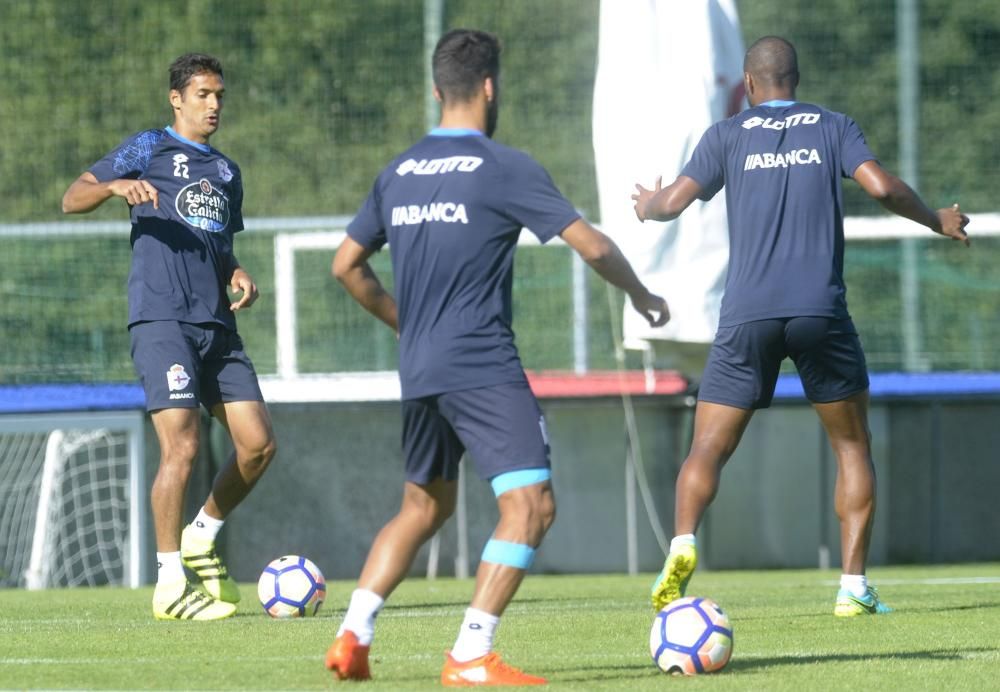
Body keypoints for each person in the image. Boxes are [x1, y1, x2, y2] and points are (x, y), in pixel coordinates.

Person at [325, 29, 668, 686]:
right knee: (531, 506)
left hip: (421, 366)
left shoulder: (398, 171)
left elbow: (346, 266)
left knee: (423, 507)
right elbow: (593, 247)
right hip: (479, 363)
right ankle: (471, 654)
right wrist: (645, 297)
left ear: (435, 91)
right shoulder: (504, 166)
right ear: (490, 87)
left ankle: (353, 635)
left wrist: (409, 323)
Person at [632, 36, 969, 618]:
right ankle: (852, 588)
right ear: (796, 79)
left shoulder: (727, 134)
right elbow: (882, 187)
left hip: (746, 314)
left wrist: (645, 204)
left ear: (750, 84)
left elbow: (672, 205)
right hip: (819, 312)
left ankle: (684, 542)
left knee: (708, 445)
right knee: (850, 444)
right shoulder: (833, 127)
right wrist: (937, 219)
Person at [62, 53, 276, 621]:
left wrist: (237, 272)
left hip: (217, 327)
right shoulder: (148, 149)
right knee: (180, 445)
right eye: (203, 94)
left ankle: (202, 535)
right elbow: (72, 196)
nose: (214, 105)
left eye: (220, 95)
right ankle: (168, 585)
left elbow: (219, 243)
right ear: (177, 99)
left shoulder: (228, 172)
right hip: (162, 320)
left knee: (258, 445)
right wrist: (114, 189)